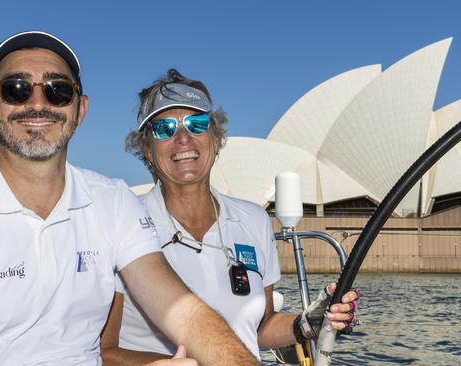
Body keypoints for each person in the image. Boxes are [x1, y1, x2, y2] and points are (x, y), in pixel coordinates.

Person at [0, 31, 259, 366]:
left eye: (58, 90)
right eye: (16, 89)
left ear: (80, 109)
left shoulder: (113, 201)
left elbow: (185, 313)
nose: (38, 103)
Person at [100, 69, 360, 364]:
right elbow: (103, 350)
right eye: (164, 129)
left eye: (197, 124)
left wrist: (305, 323)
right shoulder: (123, 221)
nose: (183, 138)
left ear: (216, 138)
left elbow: (259, 328)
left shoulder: (253, 220)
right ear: (146, 148)